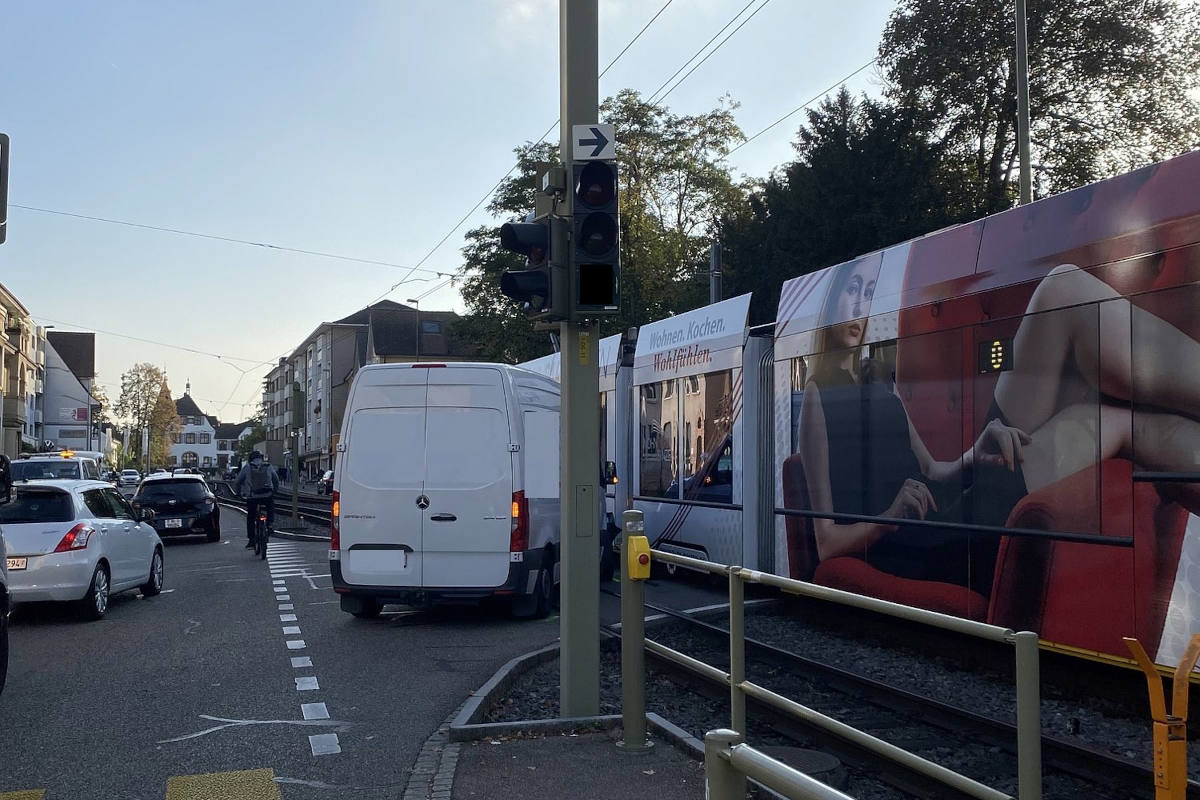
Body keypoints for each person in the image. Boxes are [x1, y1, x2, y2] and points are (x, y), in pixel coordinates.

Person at [796, 256, 1200, 594]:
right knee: (1119, 422)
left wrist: (978, 449)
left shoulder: (882, 381)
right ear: (831, 305)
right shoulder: (817, 395)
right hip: (928, 543)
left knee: (1064, 289)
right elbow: (826, 543)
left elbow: (934, 470)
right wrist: (890, 515)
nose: (859, 307)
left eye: (867, 294)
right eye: (851, 292)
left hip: (960, 504)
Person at [234, 450, 279, 549]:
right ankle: (270, 524)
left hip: (252, 496)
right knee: (270, 507)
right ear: (261, 458)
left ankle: (251, 540)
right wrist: (274, 491)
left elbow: (237, 482)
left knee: (251, 517)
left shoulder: (247, 467)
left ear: (251, 459)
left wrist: (238, 493)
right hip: (267, 495)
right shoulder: (268, 466)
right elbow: (276, 479)